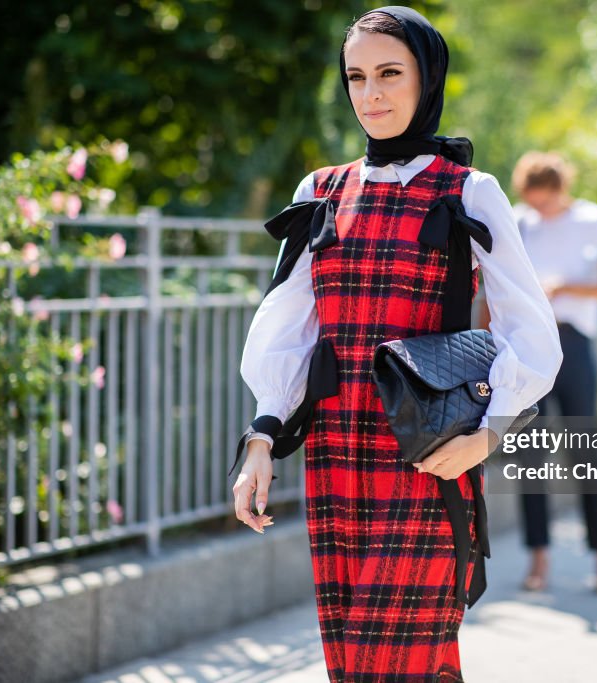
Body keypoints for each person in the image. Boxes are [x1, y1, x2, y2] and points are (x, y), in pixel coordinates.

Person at [231, 7, 562, 681]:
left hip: (427, 452)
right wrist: (261, 439)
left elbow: (532, 331)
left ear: (427, 78)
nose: (371, 94)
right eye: (356, 77)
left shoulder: (470, 190)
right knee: (352, 660)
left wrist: (491, 434)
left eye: (389, 73)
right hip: (336, 451)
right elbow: (288, 323)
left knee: (401, 659)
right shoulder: (320, 191)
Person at [510, 150, 597, 593]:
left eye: (545, 201)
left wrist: (564, 287)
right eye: (532, 201)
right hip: (527, 347)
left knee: (585, 452)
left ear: (561, 189)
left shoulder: (595, 219)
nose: (539, 210)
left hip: (573, 342)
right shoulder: (519, 222)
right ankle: (538, 560)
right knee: (529, 456)